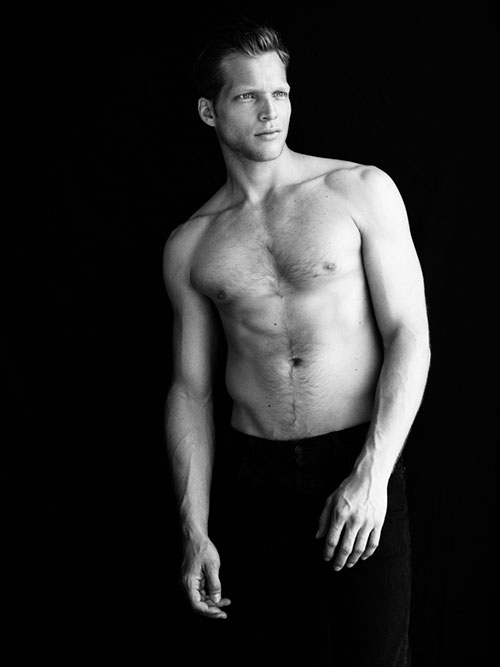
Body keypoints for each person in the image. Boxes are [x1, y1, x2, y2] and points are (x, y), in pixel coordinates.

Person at [164, 18, 430, 667]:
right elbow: (191, 390)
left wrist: (373, 476)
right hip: (254, 480)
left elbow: (410, 336)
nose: (270, 111)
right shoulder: (191, 244)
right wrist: (194, 530)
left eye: (279, 93)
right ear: (209, 111)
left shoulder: (359, 190)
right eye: (247, 96)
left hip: (356, 459)